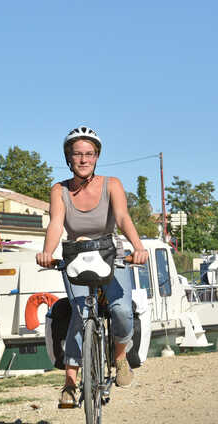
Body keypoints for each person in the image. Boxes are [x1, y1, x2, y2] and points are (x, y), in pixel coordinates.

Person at [36, 126, 148, 408]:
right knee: (80, 312)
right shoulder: (59, 190)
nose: (84, 160)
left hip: (110, 253)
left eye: (89, 154)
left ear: (97, 157)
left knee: (122, 309)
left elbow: (122, 218)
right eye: (77, 154)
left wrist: (139, 247)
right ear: (68, 158)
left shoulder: (112, 185)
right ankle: (71, 383)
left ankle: (120, 356)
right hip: (76, 254)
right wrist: (48, 252)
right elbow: (56, 224)